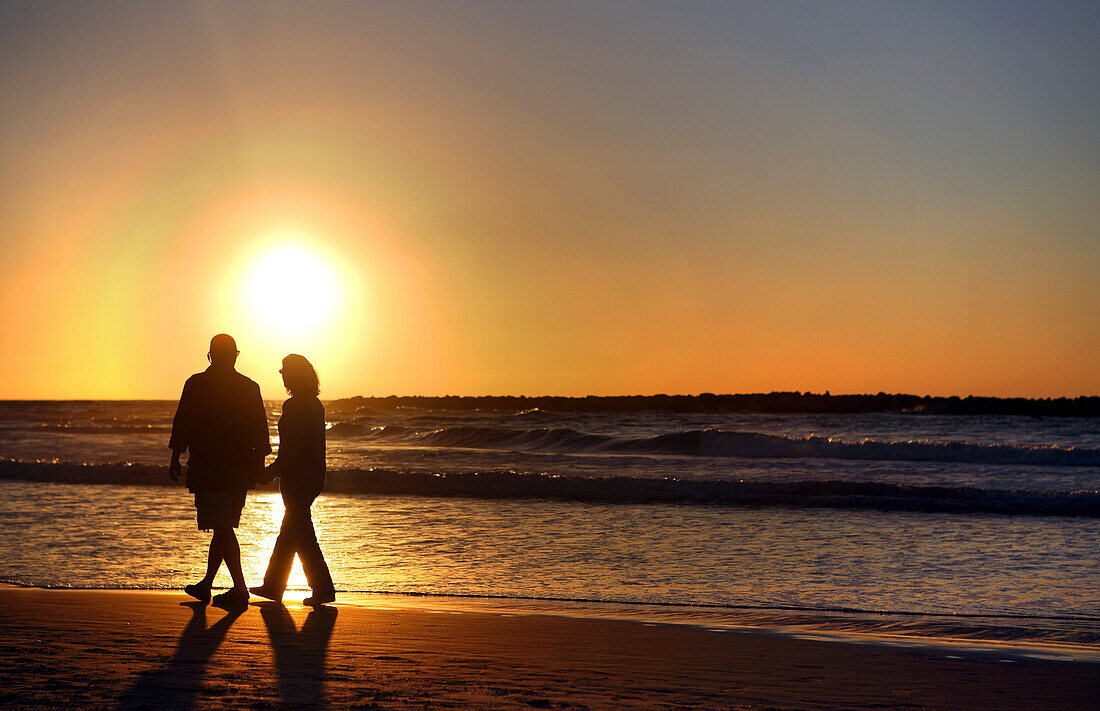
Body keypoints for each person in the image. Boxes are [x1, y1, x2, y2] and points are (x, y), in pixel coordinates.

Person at [169, 334, 271, 607]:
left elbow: (183, 422)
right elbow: (260, 431)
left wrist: (175, 457)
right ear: (236, 355)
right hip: (237, 469)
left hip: (207, 467)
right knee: (222, 526)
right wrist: (258, 467)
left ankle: (239, 588)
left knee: (222, 526)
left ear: (210, 355)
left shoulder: (196, 384)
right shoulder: (249, 387)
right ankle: (207, 585)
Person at [249, 354, 335, 606]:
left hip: (298, 476)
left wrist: (272, 470)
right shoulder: (314, 404)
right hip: (312, 475)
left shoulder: (295, 406)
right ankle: (275, 585)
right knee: (292, 531)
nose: (282, 374)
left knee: (302, 534)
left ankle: (322, 588)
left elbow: (293, 448)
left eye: (285, 370)